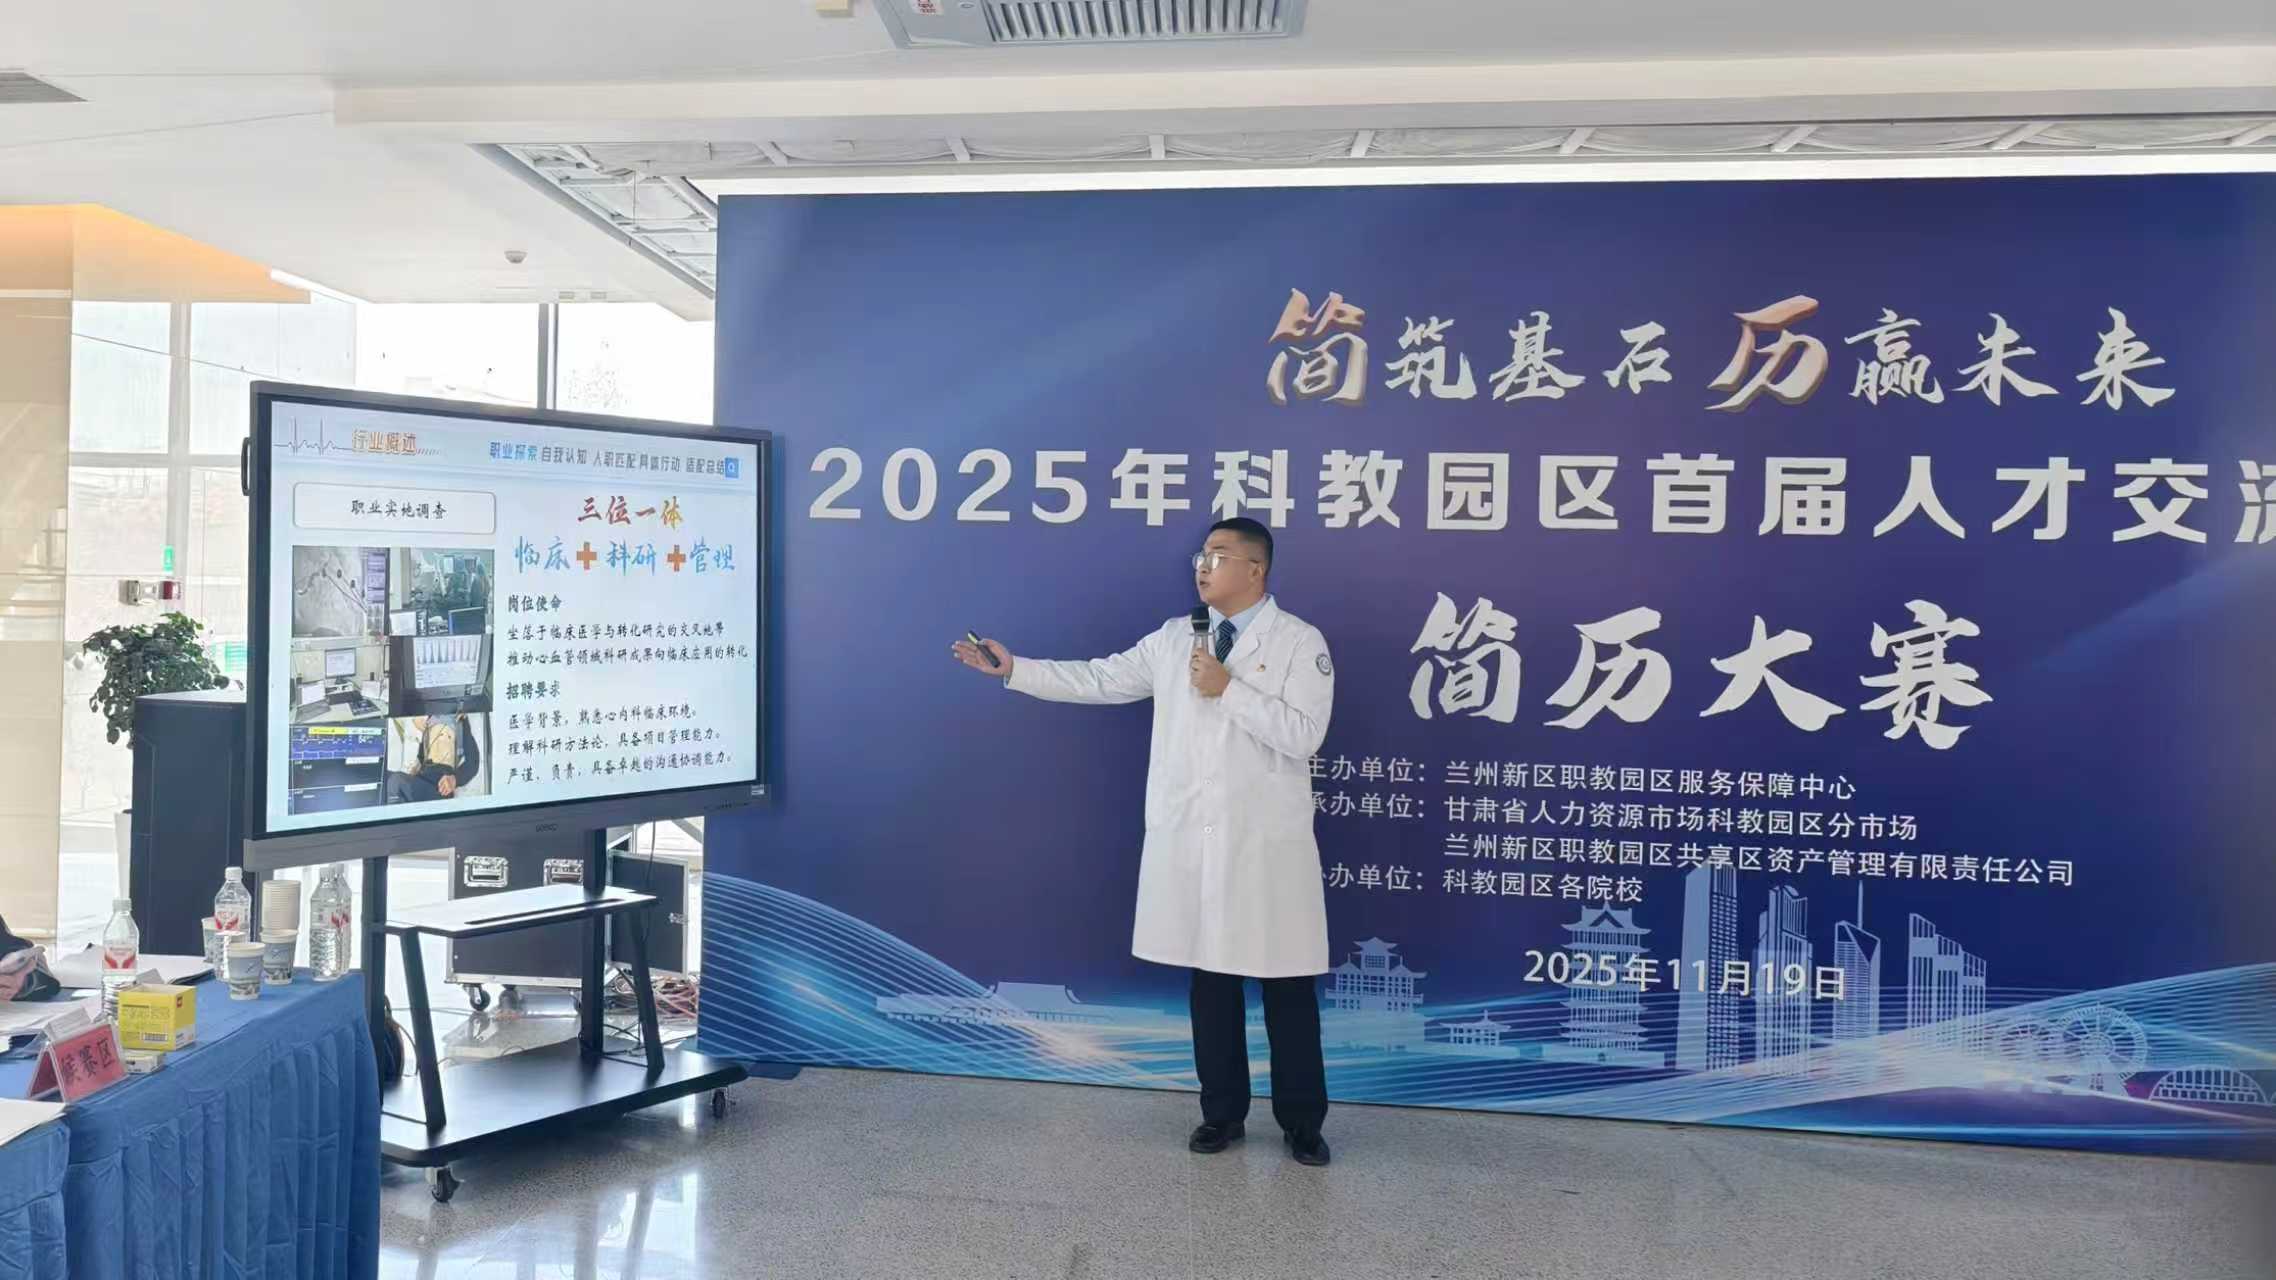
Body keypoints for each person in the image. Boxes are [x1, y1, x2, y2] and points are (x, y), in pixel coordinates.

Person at [951, 517, 1336, 1166]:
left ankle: (1302, 1123)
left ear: (1256, 570)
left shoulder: (1300, 641)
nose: (1203, 565)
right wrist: (1016, 669)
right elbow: (1100, 679)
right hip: (1197, 842)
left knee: (1286, 990)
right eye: (1201, 555)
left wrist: (1229, 689)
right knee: (1211, 986)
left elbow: (1305, 735)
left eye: (1218, 555)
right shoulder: (1175, 638)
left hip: (1266, 848)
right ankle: (1222, 1115)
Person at [383, 713, 481, 803]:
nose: (439, 742)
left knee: (394, 782)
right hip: (420, 778)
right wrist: (417, 765)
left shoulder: (461, 723)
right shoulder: (428, 719)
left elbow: (473, 762)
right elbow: (422, 754)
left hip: (439, 786)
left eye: (447, 737)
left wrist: (455, 779)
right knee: (383, 776)